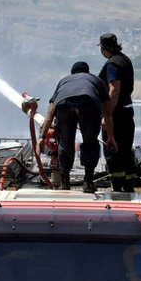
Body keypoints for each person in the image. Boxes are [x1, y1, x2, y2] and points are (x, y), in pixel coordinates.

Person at [40, 61, 107, 192]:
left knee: (65, 143)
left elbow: (49, 113)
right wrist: (110, 136)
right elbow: (108, 111)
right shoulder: (96, 81)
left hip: (64, 105)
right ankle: (88, 182)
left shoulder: (64, 81)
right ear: (87, 72)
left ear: (73, 72)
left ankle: (65, 182)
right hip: (88, 103)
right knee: (90, 143)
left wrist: (43, 135)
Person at [98, 33, 136, 192]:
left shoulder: (112, 64)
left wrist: (107, 115)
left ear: (103, 47)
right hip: (127, 111)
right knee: (126, 150)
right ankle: (129, 184)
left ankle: (118, 186)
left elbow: (114, 90)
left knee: (113, 150)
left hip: (116, 114)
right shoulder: (125, 60)